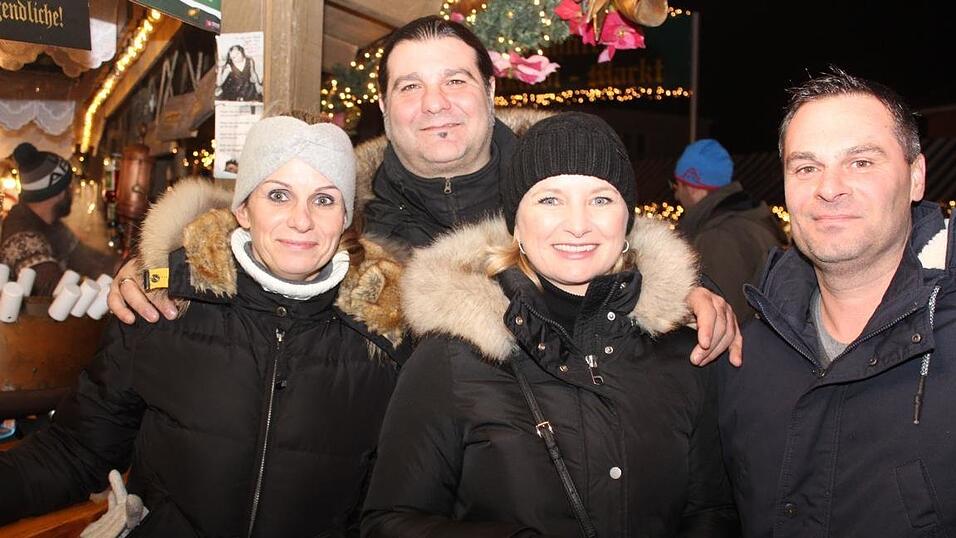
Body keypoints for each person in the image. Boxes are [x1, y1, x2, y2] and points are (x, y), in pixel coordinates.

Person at [108, 16, 741, 367]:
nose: (434, 104)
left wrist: (673, 295)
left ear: (492, 96)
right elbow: (240, 263)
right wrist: (159, 271)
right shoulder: (335, 224)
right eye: (410, 86)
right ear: (384, 107)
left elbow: (631, 272)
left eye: (455, 81)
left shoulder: (565, 215)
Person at [0, 116, 401, 536]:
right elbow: (74, 451)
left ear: (345, 218)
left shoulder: (381, 338)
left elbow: (385, 504)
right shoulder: (166, 305)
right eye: (279, 195)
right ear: (243, 209)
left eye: (324, 200)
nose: (301, 220)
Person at [362, 113, 740, 537]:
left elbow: (712, 510)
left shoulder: (682, 353)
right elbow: (388, 521)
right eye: (549, 200)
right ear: (515, 222)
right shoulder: (453, 357)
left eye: (600, 199)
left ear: (627, 220)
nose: (577, 224)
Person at [718, 68, 956, 537]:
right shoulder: (745, 353)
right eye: (806, 167)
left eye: (861, 162)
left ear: (916, 177)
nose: (829, 188)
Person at [672, 138, 787, 320]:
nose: (677, 194)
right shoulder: (747, 220)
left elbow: (721, 319)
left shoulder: (718, 238)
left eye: (677, 186)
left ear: (693, 188)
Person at [0, 142, 117, 295]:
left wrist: (123, 268)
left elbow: (89, 260)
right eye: (71, 186)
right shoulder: (23, 236)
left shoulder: (51, 225)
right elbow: (56, 290)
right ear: (59, 192)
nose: (74, 192)